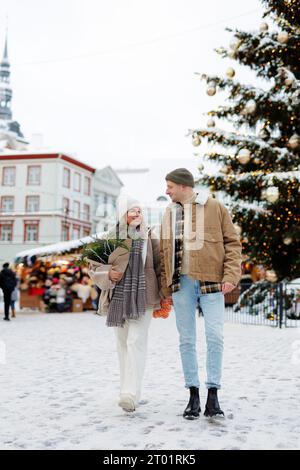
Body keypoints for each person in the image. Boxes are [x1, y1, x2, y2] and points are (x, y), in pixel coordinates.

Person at [160, 168, 242, 419]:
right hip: (181, 284)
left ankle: (213, 395)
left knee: (215, 336)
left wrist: (230, 276)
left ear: (184, 186)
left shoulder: (215, 207)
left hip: (211, 282)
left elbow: (233, 243)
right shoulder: (168, 212)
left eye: (170, 186)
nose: (166, 191)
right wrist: (165, 290)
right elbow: (163, 252)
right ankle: (193, 395)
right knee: (186, 339)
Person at [88, 197, 161, 413]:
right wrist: (107, 273)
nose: (137, 214)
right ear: (123, 214)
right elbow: (93, 266)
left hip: (144, 297)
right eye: (132, 211)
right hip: (118, 296)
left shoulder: (149, 236)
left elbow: (160, 265)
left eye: (140, 210)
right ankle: (128, 391)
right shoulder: (110, 238)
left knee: (135, 341)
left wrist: (165, 295)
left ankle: (129, 393)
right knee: (122, 344)